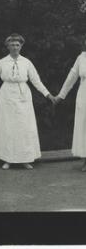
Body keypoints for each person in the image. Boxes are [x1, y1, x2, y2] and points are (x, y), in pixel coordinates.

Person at [0, 33, 55, 170]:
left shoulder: (26, 62)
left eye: (17, 45)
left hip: (23, 96)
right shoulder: (2, 62)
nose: (15, 47)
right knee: (8, 127)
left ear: (21, 46)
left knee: (23, 127)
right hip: (6, 96)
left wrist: (48, 95)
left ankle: (25, 159)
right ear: (7, 46)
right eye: (12, 45)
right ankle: (8, 159)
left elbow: (36, 81)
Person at [55, 37, 86, 171]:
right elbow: (71, 77)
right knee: (84, 125)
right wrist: (61, 96)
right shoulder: (81, 58)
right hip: (84, 94)